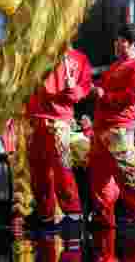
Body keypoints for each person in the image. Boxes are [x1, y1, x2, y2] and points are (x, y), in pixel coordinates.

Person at [24, 46, 93, 237]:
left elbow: (83, 88)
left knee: (62, 169)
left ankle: (73, 215)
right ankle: (46, 217)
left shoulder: (78, 58)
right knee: (38, 173)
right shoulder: (37, 51)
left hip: (58, 121)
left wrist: (73, 90)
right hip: (34, 121)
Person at [89, 23, 135, 229]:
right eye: (116, 40)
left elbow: (132, 97)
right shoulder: (114, 67)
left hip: (119, 128)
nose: (116, 44)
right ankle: (104, 219)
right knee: (99, 175)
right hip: (100, 127)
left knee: (127, 173)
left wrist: (103, 95)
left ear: (133, 44)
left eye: (121, 41)